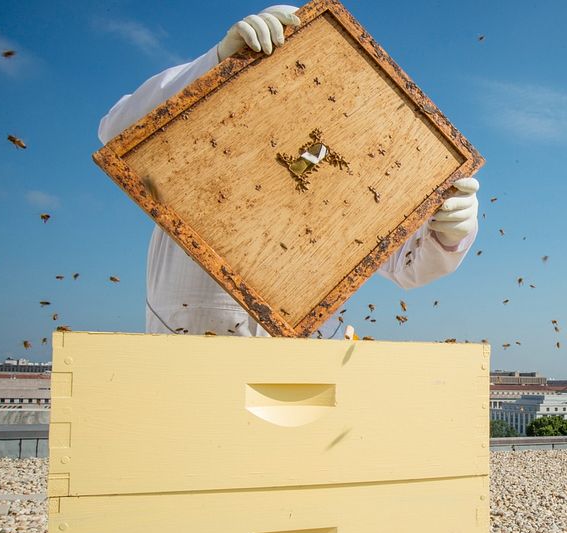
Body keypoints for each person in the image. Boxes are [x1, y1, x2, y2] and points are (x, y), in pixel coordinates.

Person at [98, 6, 479, 338]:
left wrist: (450, 234)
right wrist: (213, 64)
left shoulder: (357, 163)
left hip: (306, 347)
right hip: (189, 335)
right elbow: (117, 133)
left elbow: (408, 267)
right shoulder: (205, 124)